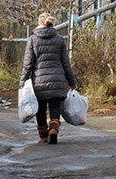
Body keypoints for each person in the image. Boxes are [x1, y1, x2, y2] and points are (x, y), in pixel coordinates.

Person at [20, 12, 78, 144]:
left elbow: (28, 64)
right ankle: (53, 129)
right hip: (57, 80)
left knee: (40, 108)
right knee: (54, 106)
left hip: (39, 81)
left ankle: (43, 135)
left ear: (39, 22)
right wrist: (72, 81)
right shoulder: (59, 39)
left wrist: (23, 80)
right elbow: (66, 64)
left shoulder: (33, 39)